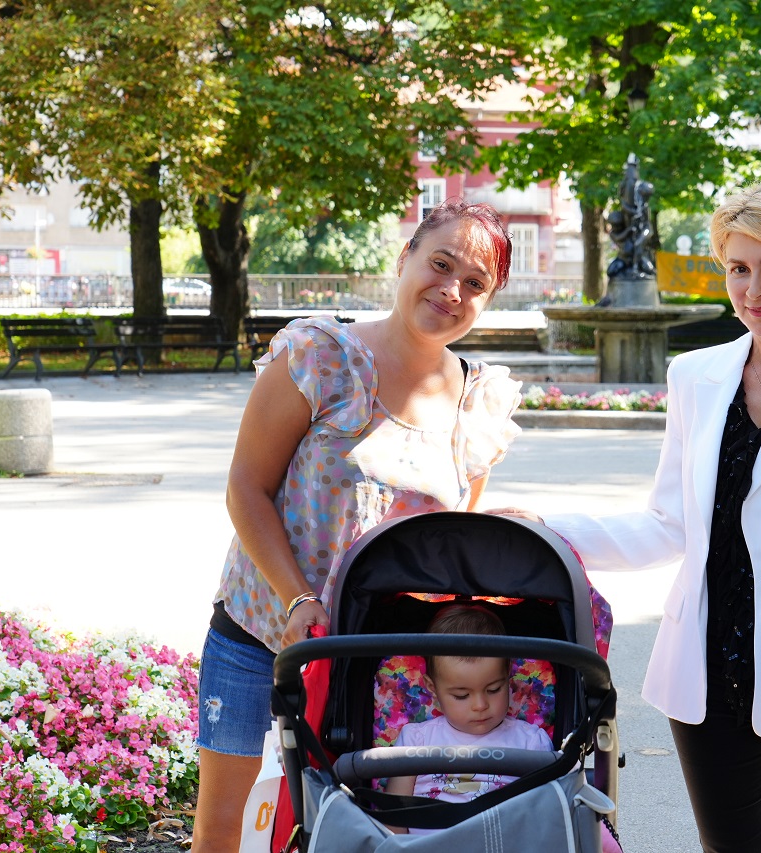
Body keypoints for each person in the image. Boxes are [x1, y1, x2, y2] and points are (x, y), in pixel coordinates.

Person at [495, 182, 761, 852]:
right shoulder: (695, 376)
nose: (754, 288)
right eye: (738, 268)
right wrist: (545, 527)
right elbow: (668, 524)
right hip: (706, 664)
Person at [190, 199, 523, 853]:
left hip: (374, 660)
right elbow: (246, 489)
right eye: (441, 264)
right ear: (405, 258)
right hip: (258, 635)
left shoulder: (478, 404)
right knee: (223, 829)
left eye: (475, 283)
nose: (452, 290)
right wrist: (297, 598)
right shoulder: (320, 356)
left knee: (347, 829)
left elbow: (451, 545)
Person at [384, 604, 554, 834]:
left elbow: (543, 819)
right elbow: (394, 819)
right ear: (433, 688)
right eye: (461, 695)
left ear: (508, 676)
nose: (480, 705)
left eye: (494, 689)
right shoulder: (416, 740)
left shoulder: (530, 743)